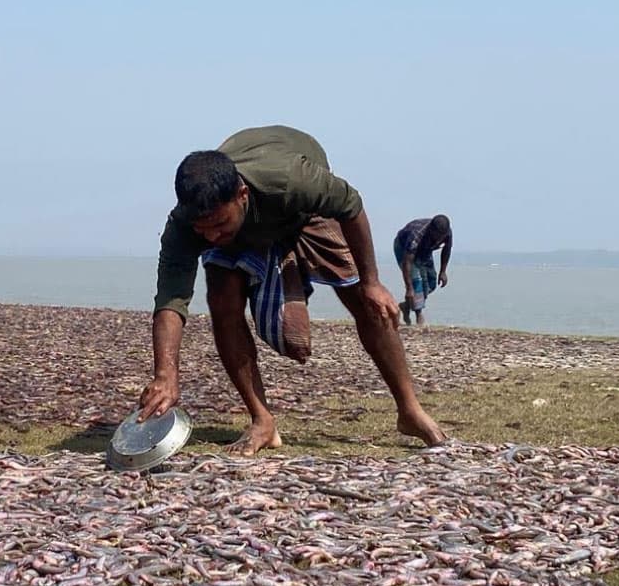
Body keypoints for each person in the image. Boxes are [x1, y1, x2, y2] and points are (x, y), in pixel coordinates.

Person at [136, 125, 448, 455]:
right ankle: (262, 421)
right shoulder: (184, 226)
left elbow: (351, 205)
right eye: (203, 229)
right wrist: (165, 374)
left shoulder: (290, 180)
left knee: (369, 301)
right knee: (222, 300)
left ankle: (410, 409)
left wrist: (372, 282)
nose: (211, 236)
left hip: (300, 214)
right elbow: (171, 300)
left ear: (241, 195)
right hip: (247, 234)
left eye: (219, 224)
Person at [393, 215, 452, 327]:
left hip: (425, 250)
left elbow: (447, 249)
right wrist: (409, 288)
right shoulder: (416, 235)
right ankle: (419, 315)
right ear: (431, 230)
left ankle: (406, 306)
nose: (439, 239)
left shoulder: (447, 232)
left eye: (442, 237)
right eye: (437, 236)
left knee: (431, 283)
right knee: (417, 281)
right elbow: (407, 262)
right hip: (404, 250)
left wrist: (443, 271)